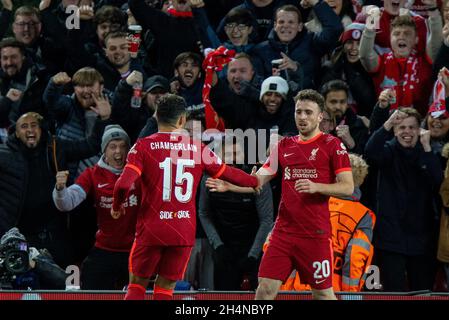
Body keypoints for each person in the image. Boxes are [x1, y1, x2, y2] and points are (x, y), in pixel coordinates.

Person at [110, 94, 260, 300]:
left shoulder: (143, 146)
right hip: (182, 231)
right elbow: (228, 173)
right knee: (165, 289)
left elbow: (123, 184)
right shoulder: (198, 148)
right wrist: (254, 181)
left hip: (151, 228)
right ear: (181, 120)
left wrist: (117, 206)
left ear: (157, 117)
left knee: (136, 287)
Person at [252, 89, 354, 300]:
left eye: (308, 112)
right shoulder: (283, 145)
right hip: (282, 234)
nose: (302, 117)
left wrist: (317, 187)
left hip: (314, 235)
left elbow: (347, 187)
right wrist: (230, 183)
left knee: (323, 295)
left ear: (319, 117)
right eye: (299, 112)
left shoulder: (333, 145)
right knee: (265, 289)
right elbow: (259, 178)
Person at [0, 109, 110, 267]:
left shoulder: (56, 146)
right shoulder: (4, 154)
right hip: (22, 236)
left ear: (40, 129)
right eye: (24, 126)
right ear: (16, 133)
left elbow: (91, 145)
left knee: (62, 279)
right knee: (24, 279)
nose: (30, 130)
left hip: (55, 234)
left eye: (34, 125)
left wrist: (103, 117)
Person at [268, 153, 376, 292]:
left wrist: (280, 285)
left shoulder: (303, 202)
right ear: (360, 181)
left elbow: (272, 243)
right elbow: (355, 256)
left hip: (293, 288)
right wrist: (350, 294)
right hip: (330, 291)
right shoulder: (362, 215)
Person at [364, 107, 442, 291]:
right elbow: (370, 153)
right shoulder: (387, 151)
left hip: (422, 238)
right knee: (394, 292)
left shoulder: (427, 153)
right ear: (395, 131)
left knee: (421, 292)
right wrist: (388, 123)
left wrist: (428, 148)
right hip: (391, 238)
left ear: (419, 130)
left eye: (412, 127)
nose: (407, 132)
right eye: (402, 128)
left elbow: (438, 180)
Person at [53, 125, 138, 290]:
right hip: (105, 248)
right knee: (91, 291)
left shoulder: (138, 171)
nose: (118, 152)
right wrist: (60, 189)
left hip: (136, 249)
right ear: (104, 151)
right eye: (112, 147)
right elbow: (67, 203)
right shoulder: (92, 174)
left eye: (123, 146)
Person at [199, 137, 274, 290]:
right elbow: (203, 213)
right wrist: (218, 246)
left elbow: (266, 219)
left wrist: (254, 254)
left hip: (253, 247)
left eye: (236, 153)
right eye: (227, 153)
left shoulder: (255, 176)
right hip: (223, 248)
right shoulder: (209, 177)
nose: (232, 157)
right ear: (219, 155)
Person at [359, 9, 442, 116]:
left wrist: (433, 10)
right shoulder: (381, 62)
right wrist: (371, 21)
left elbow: (436, 42)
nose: (401, 37)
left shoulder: (425, 62)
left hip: (418, 124)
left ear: (416, 39)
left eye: (407, 34)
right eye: (396, 34)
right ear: (390, 39)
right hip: (386, 125)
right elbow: (364, 55)